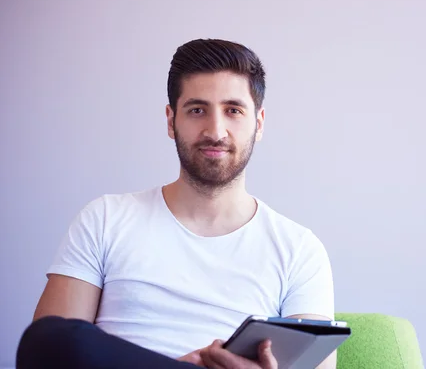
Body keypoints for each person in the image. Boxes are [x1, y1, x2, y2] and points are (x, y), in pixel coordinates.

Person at [16, 39, 336, 369]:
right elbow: (47, 353)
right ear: (171, 121)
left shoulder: (299, 250)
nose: (216, 130)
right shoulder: (105, 218)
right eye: (197, 110)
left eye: (233, 111)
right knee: (49, 336)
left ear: (259, 123)